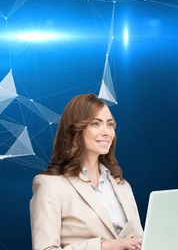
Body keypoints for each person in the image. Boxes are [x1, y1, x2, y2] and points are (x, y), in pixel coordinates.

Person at [30, 94, 144, 250]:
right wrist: (103, 247)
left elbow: (140, 240)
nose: (106, 132)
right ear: (76, 129)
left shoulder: (121, 185)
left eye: (110, 124)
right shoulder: (50, 185)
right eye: (96, 124)